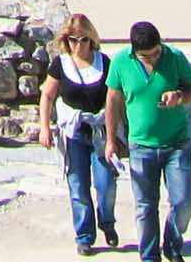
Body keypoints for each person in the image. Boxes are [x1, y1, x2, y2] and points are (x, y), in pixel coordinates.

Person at [110, 20, 191, 262]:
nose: (154, 58)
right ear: (135, 51)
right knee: (145, 206)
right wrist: (111, 140)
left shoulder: (175, 57)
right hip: (141, 147)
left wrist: (180, 96)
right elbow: (113, 102)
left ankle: (172, 243)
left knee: (184, 200)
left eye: (156, 52)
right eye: (147, 56)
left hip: (176, 144)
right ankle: (149, 257)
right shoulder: (120, 63)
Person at [35, 13, 124, 256]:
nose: (78, 44)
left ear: (91, 39)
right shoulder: (60, 64)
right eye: (73, 39)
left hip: (101, 132)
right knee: (78, 186)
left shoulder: (104, 63)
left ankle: (107, 222)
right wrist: (45, 127)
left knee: (106, 184)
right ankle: (84, 236)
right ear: (66, 40)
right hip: (73, 134)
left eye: (83, 39)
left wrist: (116, 134)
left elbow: (115, 98)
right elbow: (48, 95)